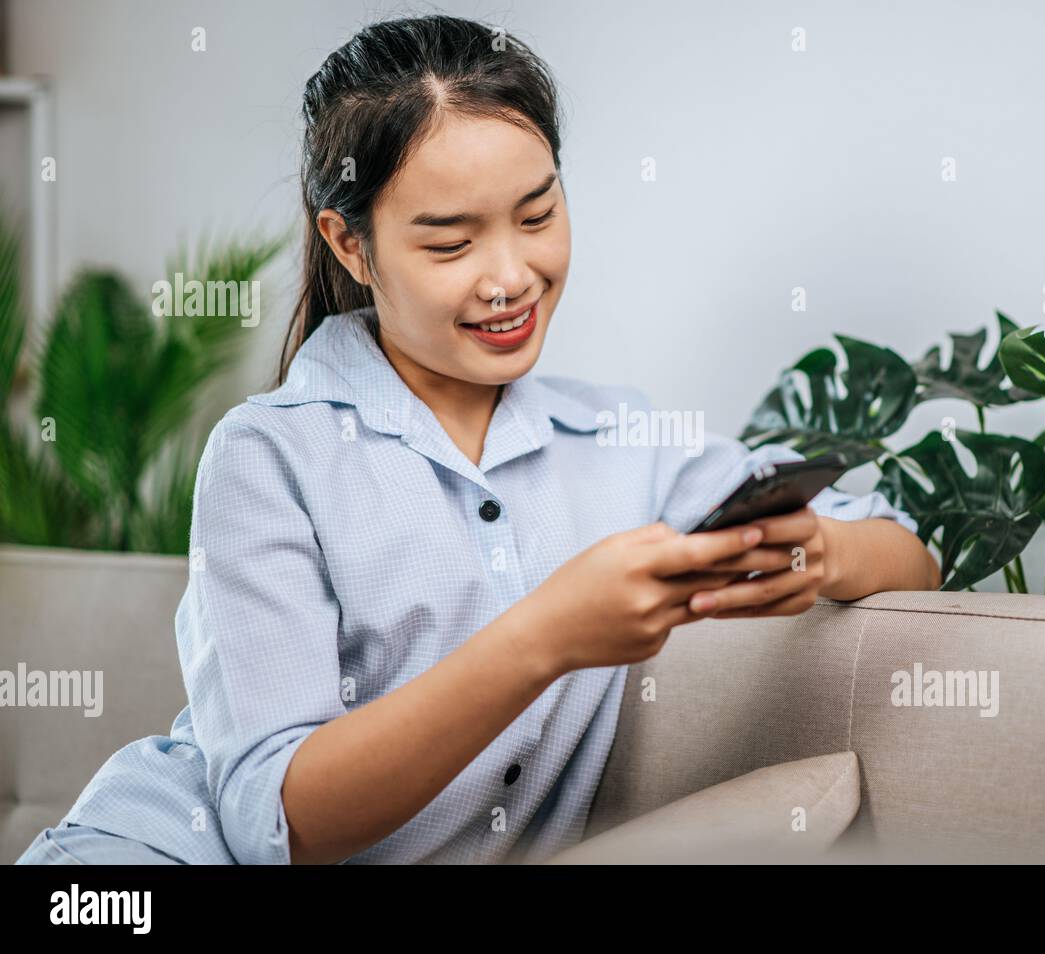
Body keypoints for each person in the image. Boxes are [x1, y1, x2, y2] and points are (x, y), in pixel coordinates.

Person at [16, 13, 935, 866]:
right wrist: (550, 635)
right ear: (350, 244)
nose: (510, 277)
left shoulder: (619, 440)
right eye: (450, 243)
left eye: (537, 216)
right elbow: (283, 824)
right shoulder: (267, 457)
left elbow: (911, 556)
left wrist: (819, 556)